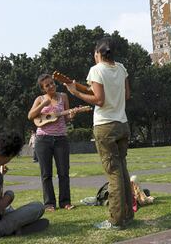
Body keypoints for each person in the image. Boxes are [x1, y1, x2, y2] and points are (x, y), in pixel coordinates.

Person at [64, 37, 134, 230]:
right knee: (122, 170)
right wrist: (81, 87)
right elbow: (126, 95)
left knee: (113, 173)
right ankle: (128, 215)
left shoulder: (96, 70)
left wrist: (75, 93)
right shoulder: (121, 68)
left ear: (98, 53)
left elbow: (99, 99)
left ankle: (115, 220)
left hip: (105, 125)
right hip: (122, 123)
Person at [28, 74, 75, 212]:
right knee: (46, 174)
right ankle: (49, 204)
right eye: (47, 85)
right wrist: (43, 104)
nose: (51, 86)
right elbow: (31, 116)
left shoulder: (63, 96)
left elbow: (65, 119)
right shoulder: (40, 99)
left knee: (64, 172)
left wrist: (71, 116)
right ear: (43, 88)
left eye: (52, 83)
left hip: (61, 138)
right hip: (43, 139)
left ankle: (65, 202)